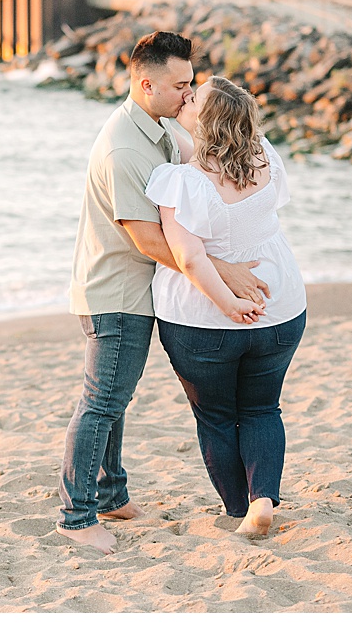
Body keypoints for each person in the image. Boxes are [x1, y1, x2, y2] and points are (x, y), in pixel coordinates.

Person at [56, 33, 270, 556]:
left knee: (115, 403)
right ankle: (76, 517)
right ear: (146, 83)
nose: (187, 94)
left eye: (190, 83)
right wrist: (224, 273)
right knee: (101, 403)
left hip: (134, 289)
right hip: (115, 293)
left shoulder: (158, 128)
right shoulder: (124, 147)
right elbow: (147, 238)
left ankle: (110, 496)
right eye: (179, 85)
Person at [145, 74, 308, 539]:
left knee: (215, 415)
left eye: (194, 97)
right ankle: (262, 501)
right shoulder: (265, 157)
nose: (185, 97)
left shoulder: (181, 182)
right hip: (279, 307)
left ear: (209, 122)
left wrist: (229, 305)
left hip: (201, 320)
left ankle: (239, 509)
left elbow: (190, 257)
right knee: (262, 408)